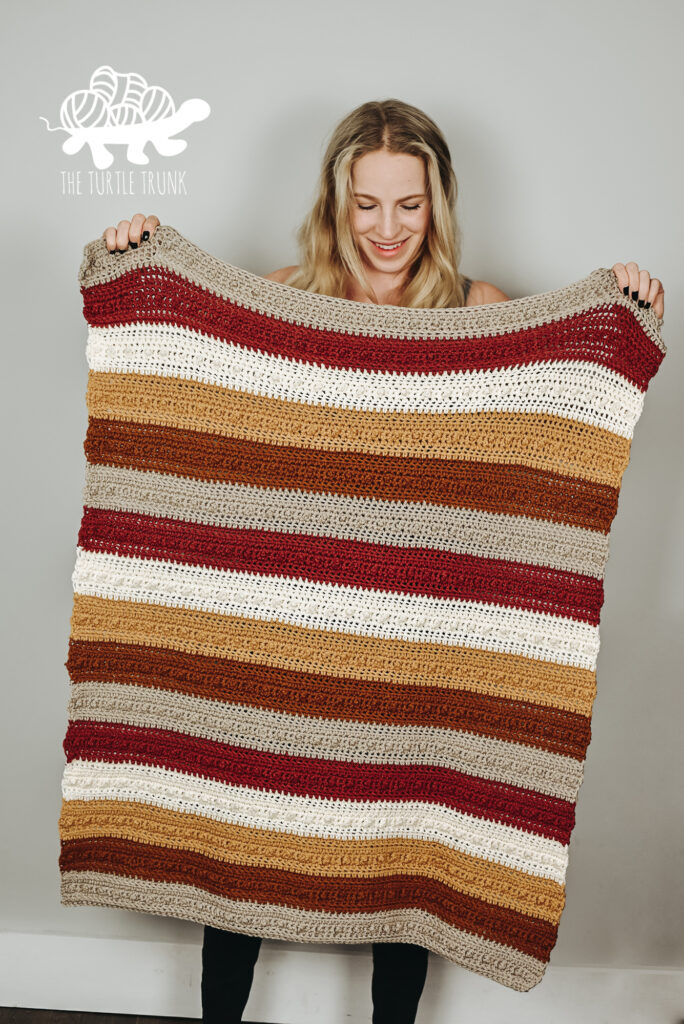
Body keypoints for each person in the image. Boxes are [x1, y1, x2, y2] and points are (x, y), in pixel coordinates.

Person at [101, 98, 664, 1024]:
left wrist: (623, 306)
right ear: (336, 202)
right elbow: (203, 400)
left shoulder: (479, 314)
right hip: (287, 648)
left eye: (411, 205)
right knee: (243, 839)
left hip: (418, 654)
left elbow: (545, 429)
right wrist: (140, 255)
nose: (389, 229)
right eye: (367, 204)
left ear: (439, 205)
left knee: (411, 856)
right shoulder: (287, 299)